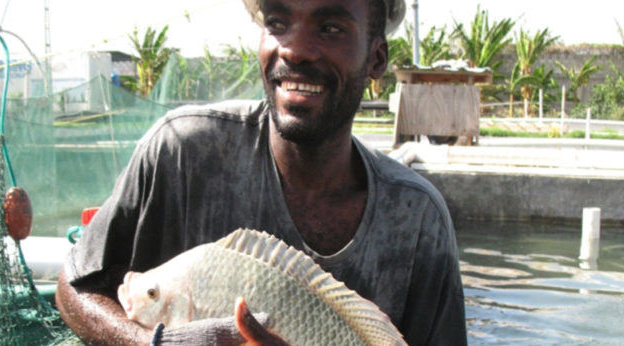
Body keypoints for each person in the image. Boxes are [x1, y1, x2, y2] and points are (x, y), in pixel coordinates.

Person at [55, 0, 467, 344]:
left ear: (376, 58)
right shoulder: (179, 151)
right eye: (277, 22)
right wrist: (156, 343)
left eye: (330, 27)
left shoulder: (418, 219)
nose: (296, 49)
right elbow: (75, 286)